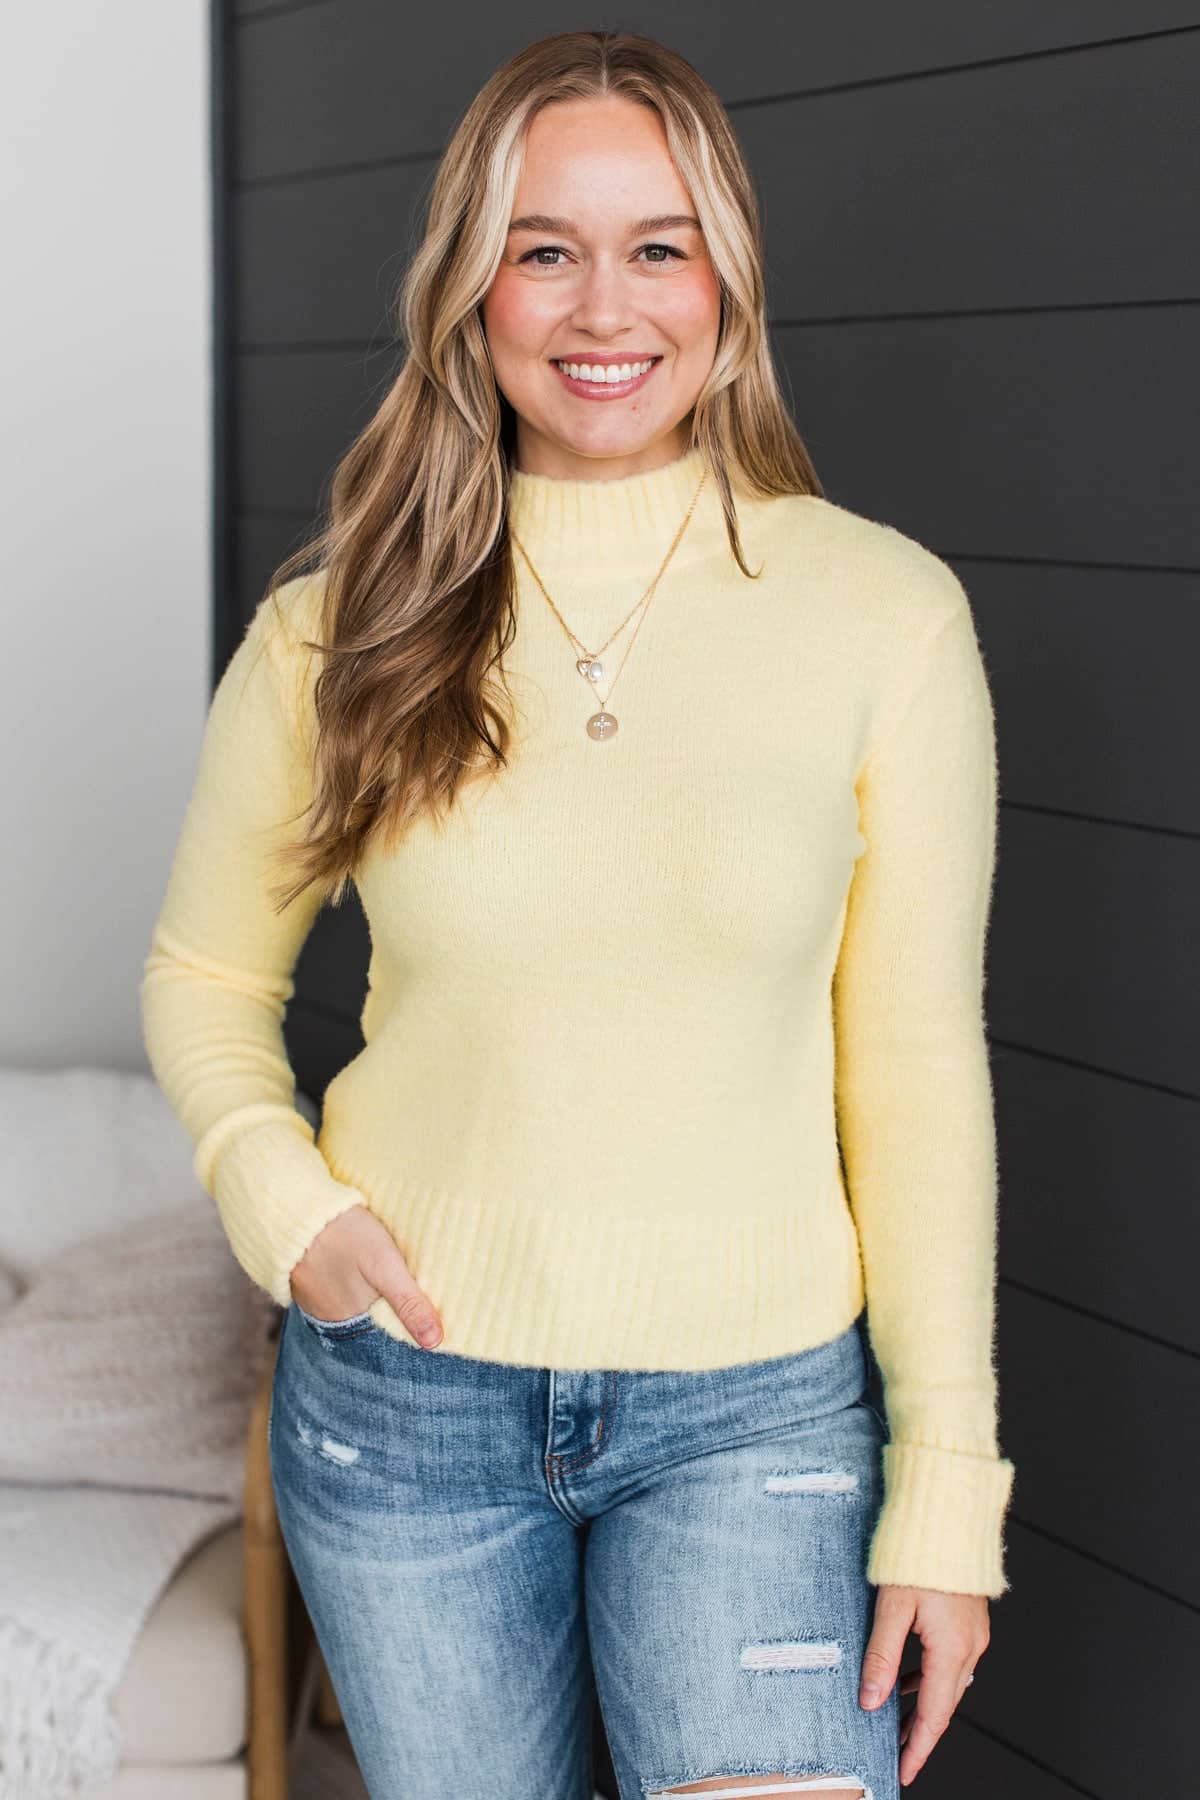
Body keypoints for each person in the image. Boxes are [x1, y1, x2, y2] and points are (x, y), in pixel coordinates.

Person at [141, 28, 1015, 1800]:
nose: (602, 306)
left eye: (657, 246)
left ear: (726, 280)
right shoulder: (337, 628)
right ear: (472, 288)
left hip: (758, 1413)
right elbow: (205, 976)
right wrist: (278, 1195)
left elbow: (917, 1069)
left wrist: (948, 1483)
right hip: (407, 1401)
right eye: (544, 248)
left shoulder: (884, 616)